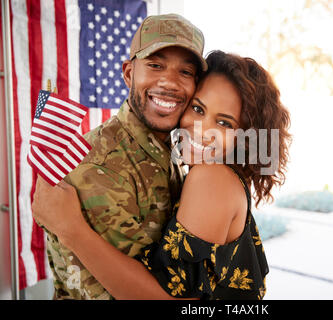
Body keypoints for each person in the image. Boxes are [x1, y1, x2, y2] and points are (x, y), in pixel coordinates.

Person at [33, 49, 291, 299]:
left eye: (224, 123)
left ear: (243, 136)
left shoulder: (212, 178)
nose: (201, 129)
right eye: (198, 109)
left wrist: (72, 230)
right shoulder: (198, 168)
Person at [38, 13, 207, 300]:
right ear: (129, 73)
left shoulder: (175, 150)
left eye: (186, 72)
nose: (170, 82)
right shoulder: (98, 166)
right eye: (155, 65)